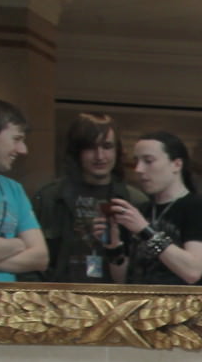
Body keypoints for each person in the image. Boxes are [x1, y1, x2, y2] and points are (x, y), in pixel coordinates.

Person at [30, 113, 146, 282]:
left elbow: (144, 271)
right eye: (90, 148)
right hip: (60, 293)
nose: (100, 156)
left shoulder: (135, 200)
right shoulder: (50, 197)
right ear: (77, 151)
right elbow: (32, 263)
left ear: (117, 151)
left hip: (114, 294)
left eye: (107, 146)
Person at [106, 132, 202, 285]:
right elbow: (122, 280)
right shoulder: (142, 210)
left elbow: (192, 271)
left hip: (183, 300)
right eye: (137, 161)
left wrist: (145, 231)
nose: (138, 169)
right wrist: (114, 245)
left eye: (148, 161)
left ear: (176, 164)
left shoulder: (199, 208)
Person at [0, 98, 48, 282]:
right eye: (16, 139)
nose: (23, 150)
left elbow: (41, 257)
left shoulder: (14, 189)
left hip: (8, 300)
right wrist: (18, 244)